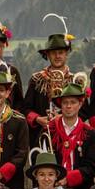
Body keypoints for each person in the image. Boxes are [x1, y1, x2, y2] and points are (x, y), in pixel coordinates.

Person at [43, 78, 95, 189]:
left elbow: (92, 167)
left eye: (73, 102)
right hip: (51, 188)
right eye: (65, 102)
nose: (69, 106)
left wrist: (69, 178)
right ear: (61, 105)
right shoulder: (49, 130)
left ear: (80, 104)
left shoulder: (90, 133)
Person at [23, 14, 77, 143]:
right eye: (53, 53)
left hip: (70, 136)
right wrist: (38, 119)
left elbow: (84, 111)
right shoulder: (37, 80)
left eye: (61, 52)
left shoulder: (75, 81)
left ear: (66, 54)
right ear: (47, 55)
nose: (57, 56)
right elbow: (25, 109)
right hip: (41, 135)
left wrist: (65, 117)